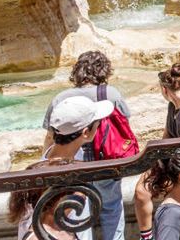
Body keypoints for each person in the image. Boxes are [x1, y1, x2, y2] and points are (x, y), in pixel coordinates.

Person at [42, 52, 129, 240]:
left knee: (76, 214)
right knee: (112, 208)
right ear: (104, 70)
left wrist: (45, 163)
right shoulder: (111, 94)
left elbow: (51, 136)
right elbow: (125, 126)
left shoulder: (61, 98)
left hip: (72, 163)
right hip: (105, 162)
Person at [135, 64, 180, 240]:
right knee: (140, 191)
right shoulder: (172, 106)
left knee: (147, 191)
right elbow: (166, 137)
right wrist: (154, 161)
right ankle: (146, 236)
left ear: (164, 89)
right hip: (170, 160)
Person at [9, 159, 84, 240]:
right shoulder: (37, 237)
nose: (84, 195)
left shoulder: (64, 229)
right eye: (79, 188)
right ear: (57, 197)